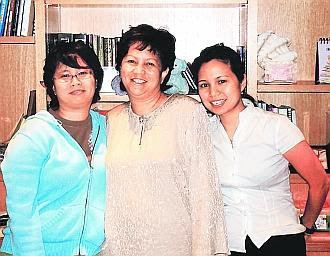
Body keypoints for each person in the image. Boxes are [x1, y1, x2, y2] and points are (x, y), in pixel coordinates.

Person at [100, 24, 229, 256]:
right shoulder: (112, 120)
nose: (139, 71)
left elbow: (204, 193)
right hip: (119, 247)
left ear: (165, 72)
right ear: (120, 67)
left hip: (175, 246)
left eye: (150, 63)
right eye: (131, 61)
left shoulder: (187, 112)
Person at [191, 43, 329, 256]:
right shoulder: (203, 134)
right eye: (204, 85)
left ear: (242, 81)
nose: (213, 92)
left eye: (222, 81)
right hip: (228, 244)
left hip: (280, 241)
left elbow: (319, 181)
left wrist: (307, 225)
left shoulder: (275, 126)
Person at [0, 41, 107, 256]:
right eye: (65, 75)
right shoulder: (34, 134)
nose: (75, 81)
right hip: (35, 250)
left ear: (96, 79)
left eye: (83, 73)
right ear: (52, 85)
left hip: (92, 250)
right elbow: (22, 211)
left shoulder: (107, 127)